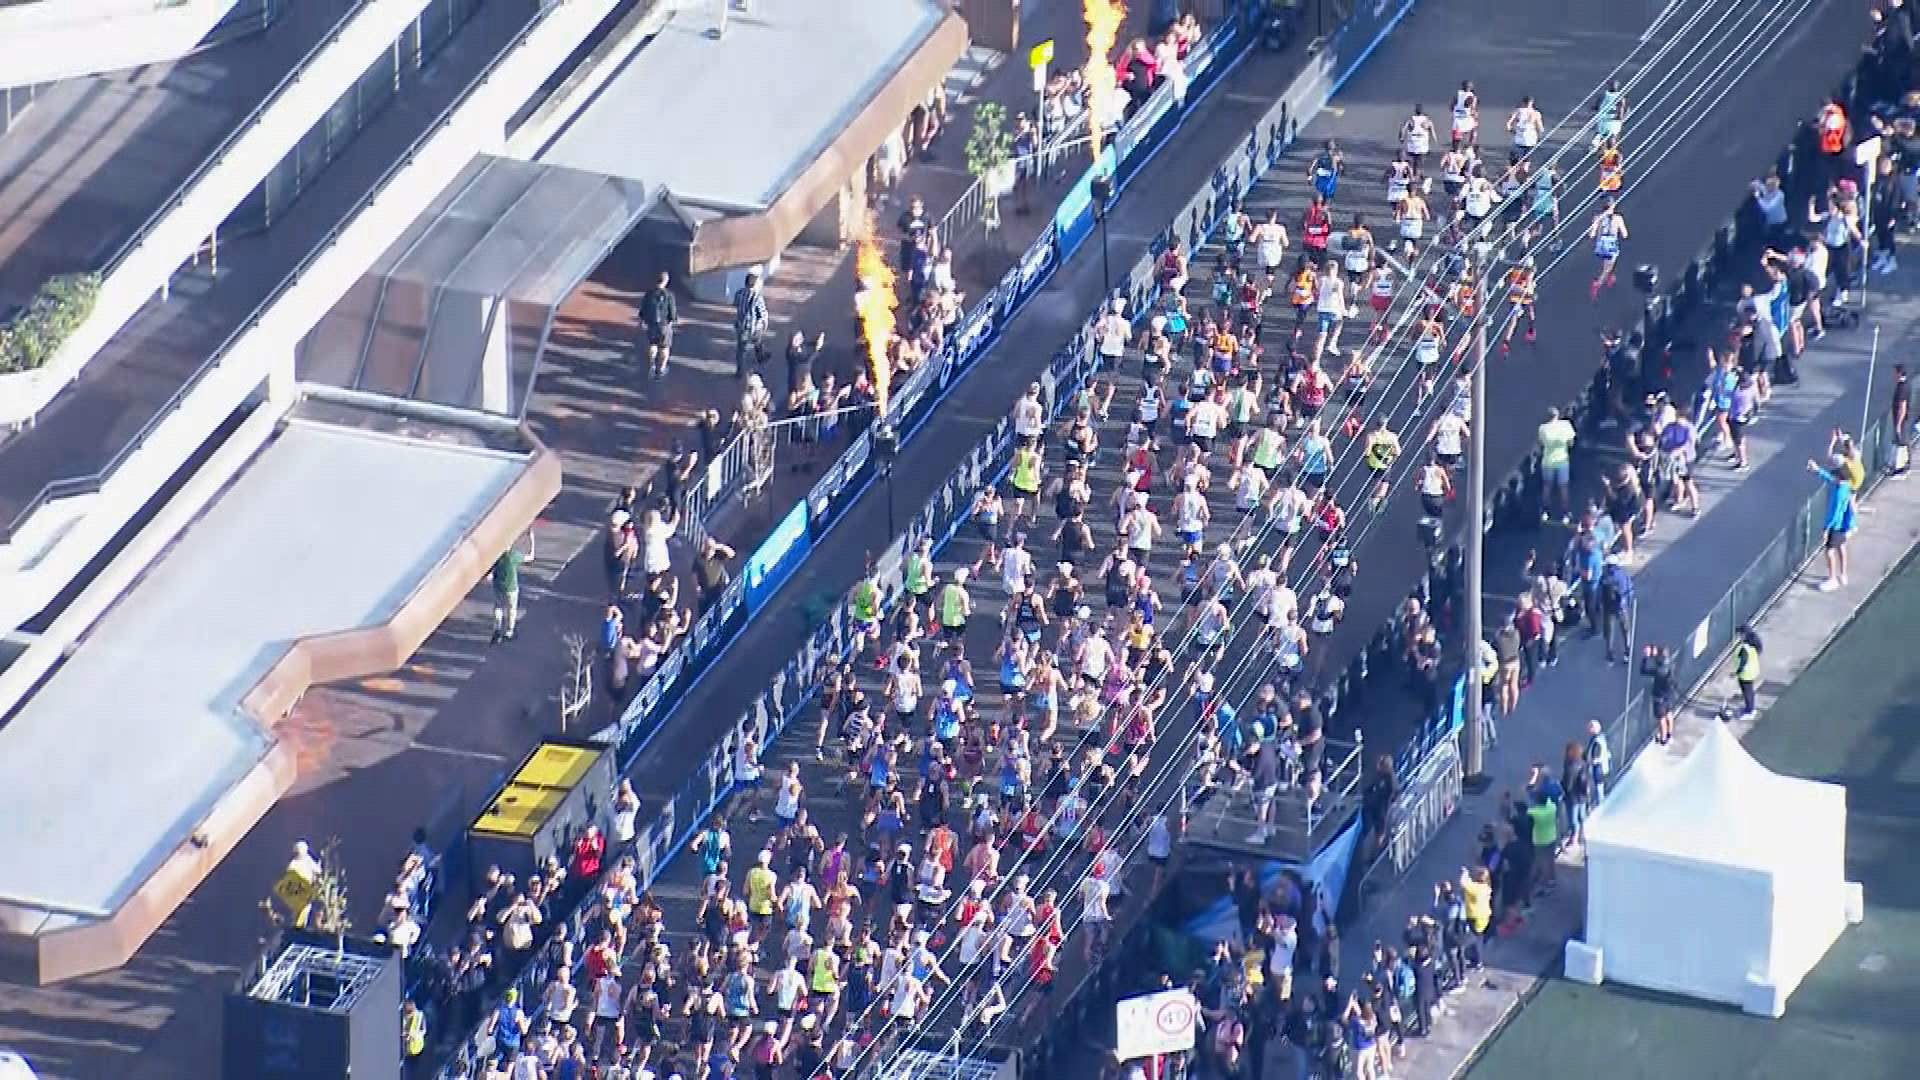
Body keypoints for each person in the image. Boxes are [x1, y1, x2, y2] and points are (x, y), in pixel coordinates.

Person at [491, 531, 533, 645]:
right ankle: (509, 631)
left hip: (498, 585)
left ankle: (497, 630)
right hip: (511, 587)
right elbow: (530, 557)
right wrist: (531, 540)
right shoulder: (513, 556)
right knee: (511, 609)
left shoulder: (497, 556)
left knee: (498, 607)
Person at [1537, 406, 1576, 523]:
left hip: (1548, 461)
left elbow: (1542, 443)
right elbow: (1571, 442)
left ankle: (1545, 511)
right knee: (1563, 487)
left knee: (1547, 487)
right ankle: (1565, 513)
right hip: (1562, 460)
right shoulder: (1565, 425)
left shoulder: (1543, 429)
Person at [639, 270, 678, 378]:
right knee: (664, 347)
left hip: (652, 324)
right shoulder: (669, 295)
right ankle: (661, 369)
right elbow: (672, 312)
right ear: (666, 281)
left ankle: (651, 364)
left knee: (652, 344)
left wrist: (642, 320)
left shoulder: (649, 294)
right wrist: (673, 322)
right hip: (664, 325)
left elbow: (643, 309)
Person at [1730, 624, 1763, 718]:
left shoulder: (1745, 648)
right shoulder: (1753, 643)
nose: (1738, 635)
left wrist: (1735, 673)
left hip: (1746, 675)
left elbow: (1743, 663)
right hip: (1752, 671)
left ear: (1743, 634)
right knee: (1749, 691)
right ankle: (1750, 708)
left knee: (1747, 692)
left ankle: (1749, 711)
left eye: (1739, 633)